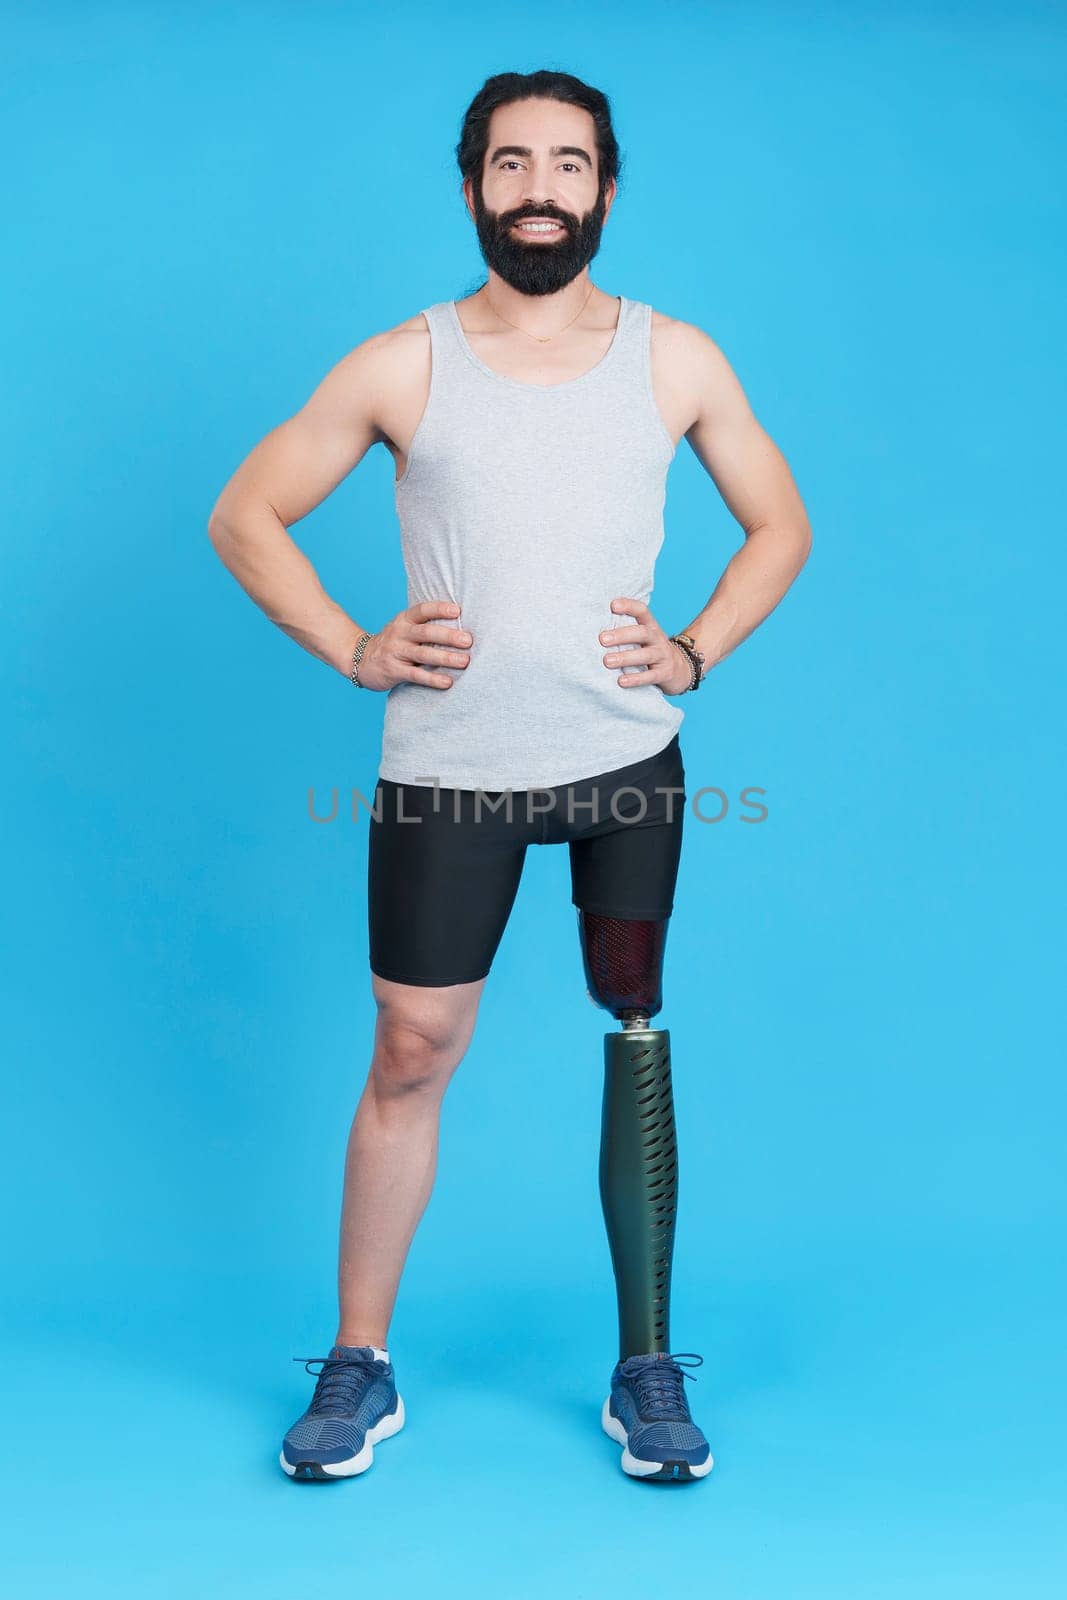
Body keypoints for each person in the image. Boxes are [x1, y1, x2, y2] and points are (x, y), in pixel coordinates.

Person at [208, 68, 811, 1484]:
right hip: (451, 773)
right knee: (412, 1053)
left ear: (605, 187)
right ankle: (359, 1363)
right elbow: (244, 514)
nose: (540, 188)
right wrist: (355, 646)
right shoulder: (402, 364)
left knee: (635, 1034)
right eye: (511, 163)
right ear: (473, 183)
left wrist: (698, 648)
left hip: (624, 765)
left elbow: (779, 524)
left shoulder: (677, 360)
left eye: (568, 164)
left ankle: (647, 1365)